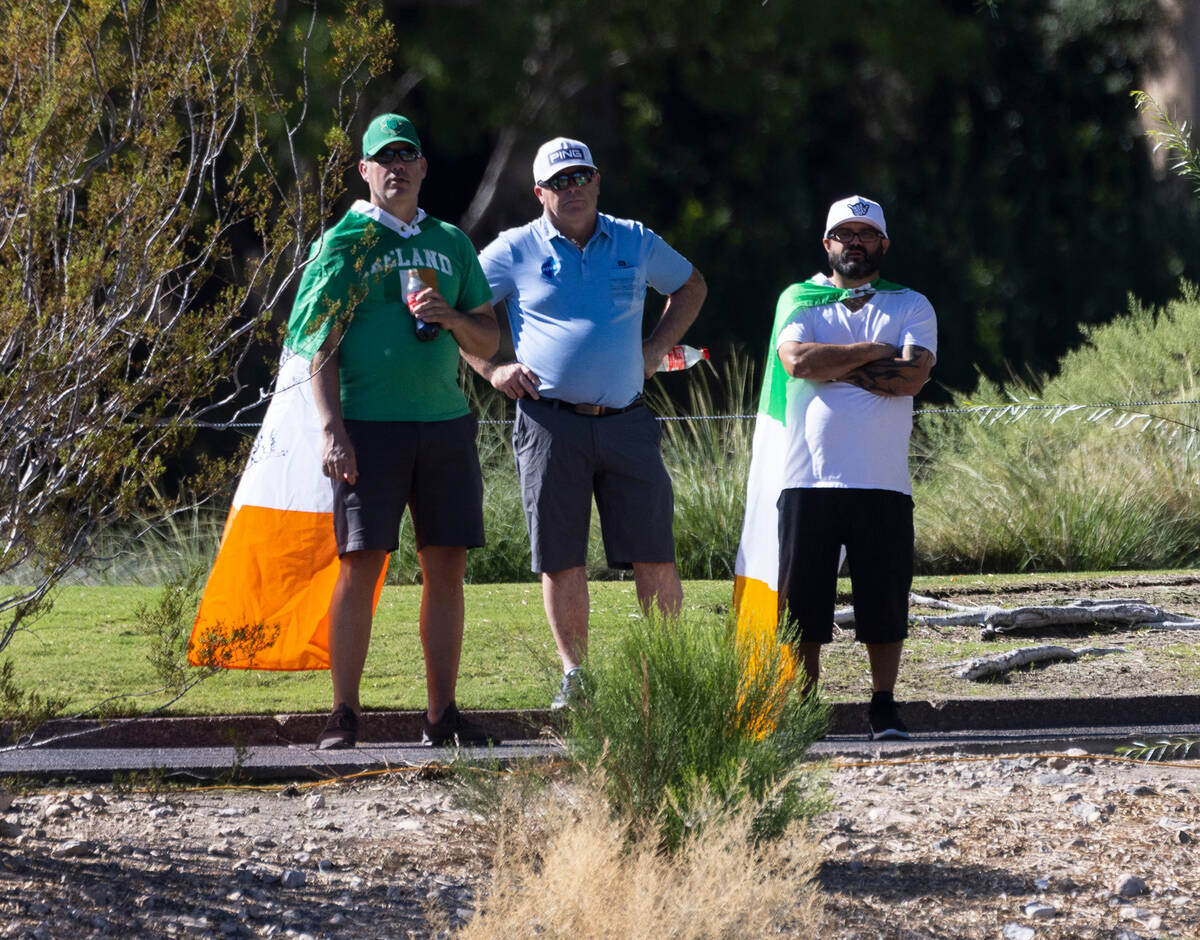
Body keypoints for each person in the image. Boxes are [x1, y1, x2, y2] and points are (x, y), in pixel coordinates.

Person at [465, 137, 707, 708]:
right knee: (561, 555)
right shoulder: (513, 248)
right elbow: (462, 312)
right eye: (560, 182)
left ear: (597, 181)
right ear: (539, 192)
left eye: (581, 178)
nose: (572, 190)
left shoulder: (634, 238)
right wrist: (493, 369)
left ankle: (666, 678)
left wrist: (655, 349)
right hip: (550, 424)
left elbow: (690, 286)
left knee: (654, 552)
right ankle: (577, 678)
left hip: (626, 420)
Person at [288, 113, 501, 749]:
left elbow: (489, 337)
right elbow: (316, 344)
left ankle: (442, 716)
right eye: (385, 158)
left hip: (444, 424)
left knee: (448, 567)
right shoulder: (345, 243)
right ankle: (343, 714)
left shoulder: (451, 242)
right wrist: (332, 429)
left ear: (423, 167)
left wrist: (454, 317)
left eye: (407, 155)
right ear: (365, 170)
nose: (397, 167)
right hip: (369, 427)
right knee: (360, 565)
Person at [774, 195, 936, 740]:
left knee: (884, 600)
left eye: (866, 234)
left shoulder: (912, 303)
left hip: (883, 479)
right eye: (844, 234)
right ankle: (805, 708)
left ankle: (883, 705)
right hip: (806, 479)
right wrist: (873, 350)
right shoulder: (801, 300)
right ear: (827, 244)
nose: (855, 242)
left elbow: (911, 377)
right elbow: (796, 361)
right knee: (802, 605)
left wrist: (833, 363)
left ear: (883, 244)